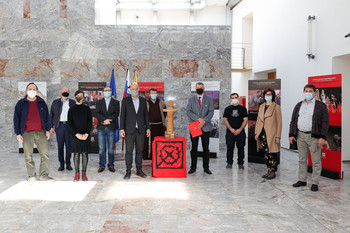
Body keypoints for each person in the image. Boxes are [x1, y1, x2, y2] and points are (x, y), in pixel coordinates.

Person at [289, 84, 329, 192]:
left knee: (316, 161)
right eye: (306, 91)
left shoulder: (321, 106)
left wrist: (322, 137)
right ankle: (302, 180)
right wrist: (291, 134)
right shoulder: (299, 105)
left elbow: (325, 122)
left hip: (314, 137)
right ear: (303, 92)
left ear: (315, 92)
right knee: (302, 159)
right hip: (300, 135)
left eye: (310, 91)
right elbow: (293, 121)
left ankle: (315, 182)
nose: (308, 93)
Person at [13, 82, 54, 183]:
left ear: (37, 91)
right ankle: (31, 176)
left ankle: (44, 176)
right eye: (30, 89)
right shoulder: (20, 103)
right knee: (28, 156)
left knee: (44, 154)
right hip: (26, 133)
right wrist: (18, 133)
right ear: (26, 91)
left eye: (34, 89)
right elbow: (16, 119)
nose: (32, 91)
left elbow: (47, 118)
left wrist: (48, 130)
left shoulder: (41, 102)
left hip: (41, 132)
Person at [120, 83, 151, 179]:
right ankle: (128, 171)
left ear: (139, 89)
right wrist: (121, 128)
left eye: (136, 88)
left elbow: (146, 115)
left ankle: (139, 170)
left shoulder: (142, 100)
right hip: (129, 130)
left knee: (140, 151)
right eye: (133, 88)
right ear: (130, 90)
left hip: (140, 130)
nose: (134, 90)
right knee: (129, 151)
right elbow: (122, 116)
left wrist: (148, 128)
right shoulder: (125, 100)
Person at [186, 82, 214, 175]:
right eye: (198, 87)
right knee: (194, 148)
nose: (199, 89)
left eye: (201, 87)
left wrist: (204, 121)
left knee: (206, 148)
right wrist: (198, 119)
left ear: (204, 88)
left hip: (205, 126)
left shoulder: (209, 99)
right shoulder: (191, 99)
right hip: (195, 126)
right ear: (195, 88)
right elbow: (188, 111)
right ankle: (193, 167)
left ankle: (206, 168)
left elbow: (211, 111)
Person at [255, 88, 282, 179]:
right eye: (266, 95)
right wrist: (256, 133)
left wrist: (278, 136)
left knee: (272, 153)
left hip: (272, 134)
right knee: (266, 153)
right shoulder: (261, 106)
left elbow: (279, 123)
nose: (268, 96)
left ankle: (273, 171)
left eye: (270, 95)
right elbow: (258, 120)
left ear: (273, 96)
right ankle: (268, 170)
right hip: (262, 133)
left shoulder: (276, 107)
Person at [68, 90, 92, 182]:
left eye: (81, 95)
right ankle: (77, 174)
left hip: (85, 135)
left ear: (83, 97)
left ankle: (84, 174)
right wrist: (76, 134)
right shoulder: (71, 109)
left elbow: (90, 122)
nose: (79, 97)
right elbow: (70, 124)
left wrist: (86, 134)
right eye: (78, 95)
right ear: (75, 97)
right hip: (75, 135)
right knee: (76, 154)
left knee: (85, 154)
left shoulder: (87, 109)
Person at [50, 87, 75, 171]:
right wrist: (51, 127)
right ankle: (61, 164)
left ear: (69, 93)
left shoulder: (72, 102)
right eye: (64, 91)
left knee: (69, 146)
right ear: (60, 92)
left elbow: (76, 115)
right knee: (60, 146)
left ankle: (68, 164)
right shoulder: (55, 102)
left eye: (67, 91)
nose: (65, 93)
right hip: (59, 126)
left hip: (69, 126)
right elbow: (51, 115)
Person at [95, 86, 120, 173]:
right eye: (106, 91)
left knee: (110, 148)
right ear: (103, 92)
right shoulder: (99, 102)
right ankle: (102, 165)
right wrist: (104, 120)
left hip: (111, 127)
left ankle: (111, 165)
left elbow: (116, 113)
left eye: (109, 90)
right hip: (101, 127)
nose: (107, 92)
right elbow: (97, 113)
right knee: (101, 148)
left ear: (111, 92)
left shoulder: (116, 102)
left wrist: (109, 120)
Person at [223, 93, 248, 169]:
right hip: (230, 132)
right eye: (232, 98)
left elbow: (245, 120)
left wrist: (240, 129)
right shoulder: (227, 109)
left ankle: (240, 163)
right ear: (230, 99)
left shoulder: (243, 109)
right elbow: (225, 120)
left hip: (241, 133)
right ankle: (229, 163)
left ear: (238, 98)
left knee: (241, 148)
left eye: (235, 97)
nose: (234, 99)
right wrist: (231, 129)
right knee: (230, 148)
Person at [143, 88, 167, 160]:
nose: (153, 95)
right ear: (149, 94)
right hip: (149, 126)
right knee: (148, 143)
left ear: (157, 94)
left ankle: (158, 156)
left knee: (159, 142)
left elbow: (165, 113)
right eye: (152, 93)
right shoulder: (145, 103)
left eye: (155, 93)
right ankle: (148, 157)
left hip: (159, 126)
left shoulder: (162, 103)